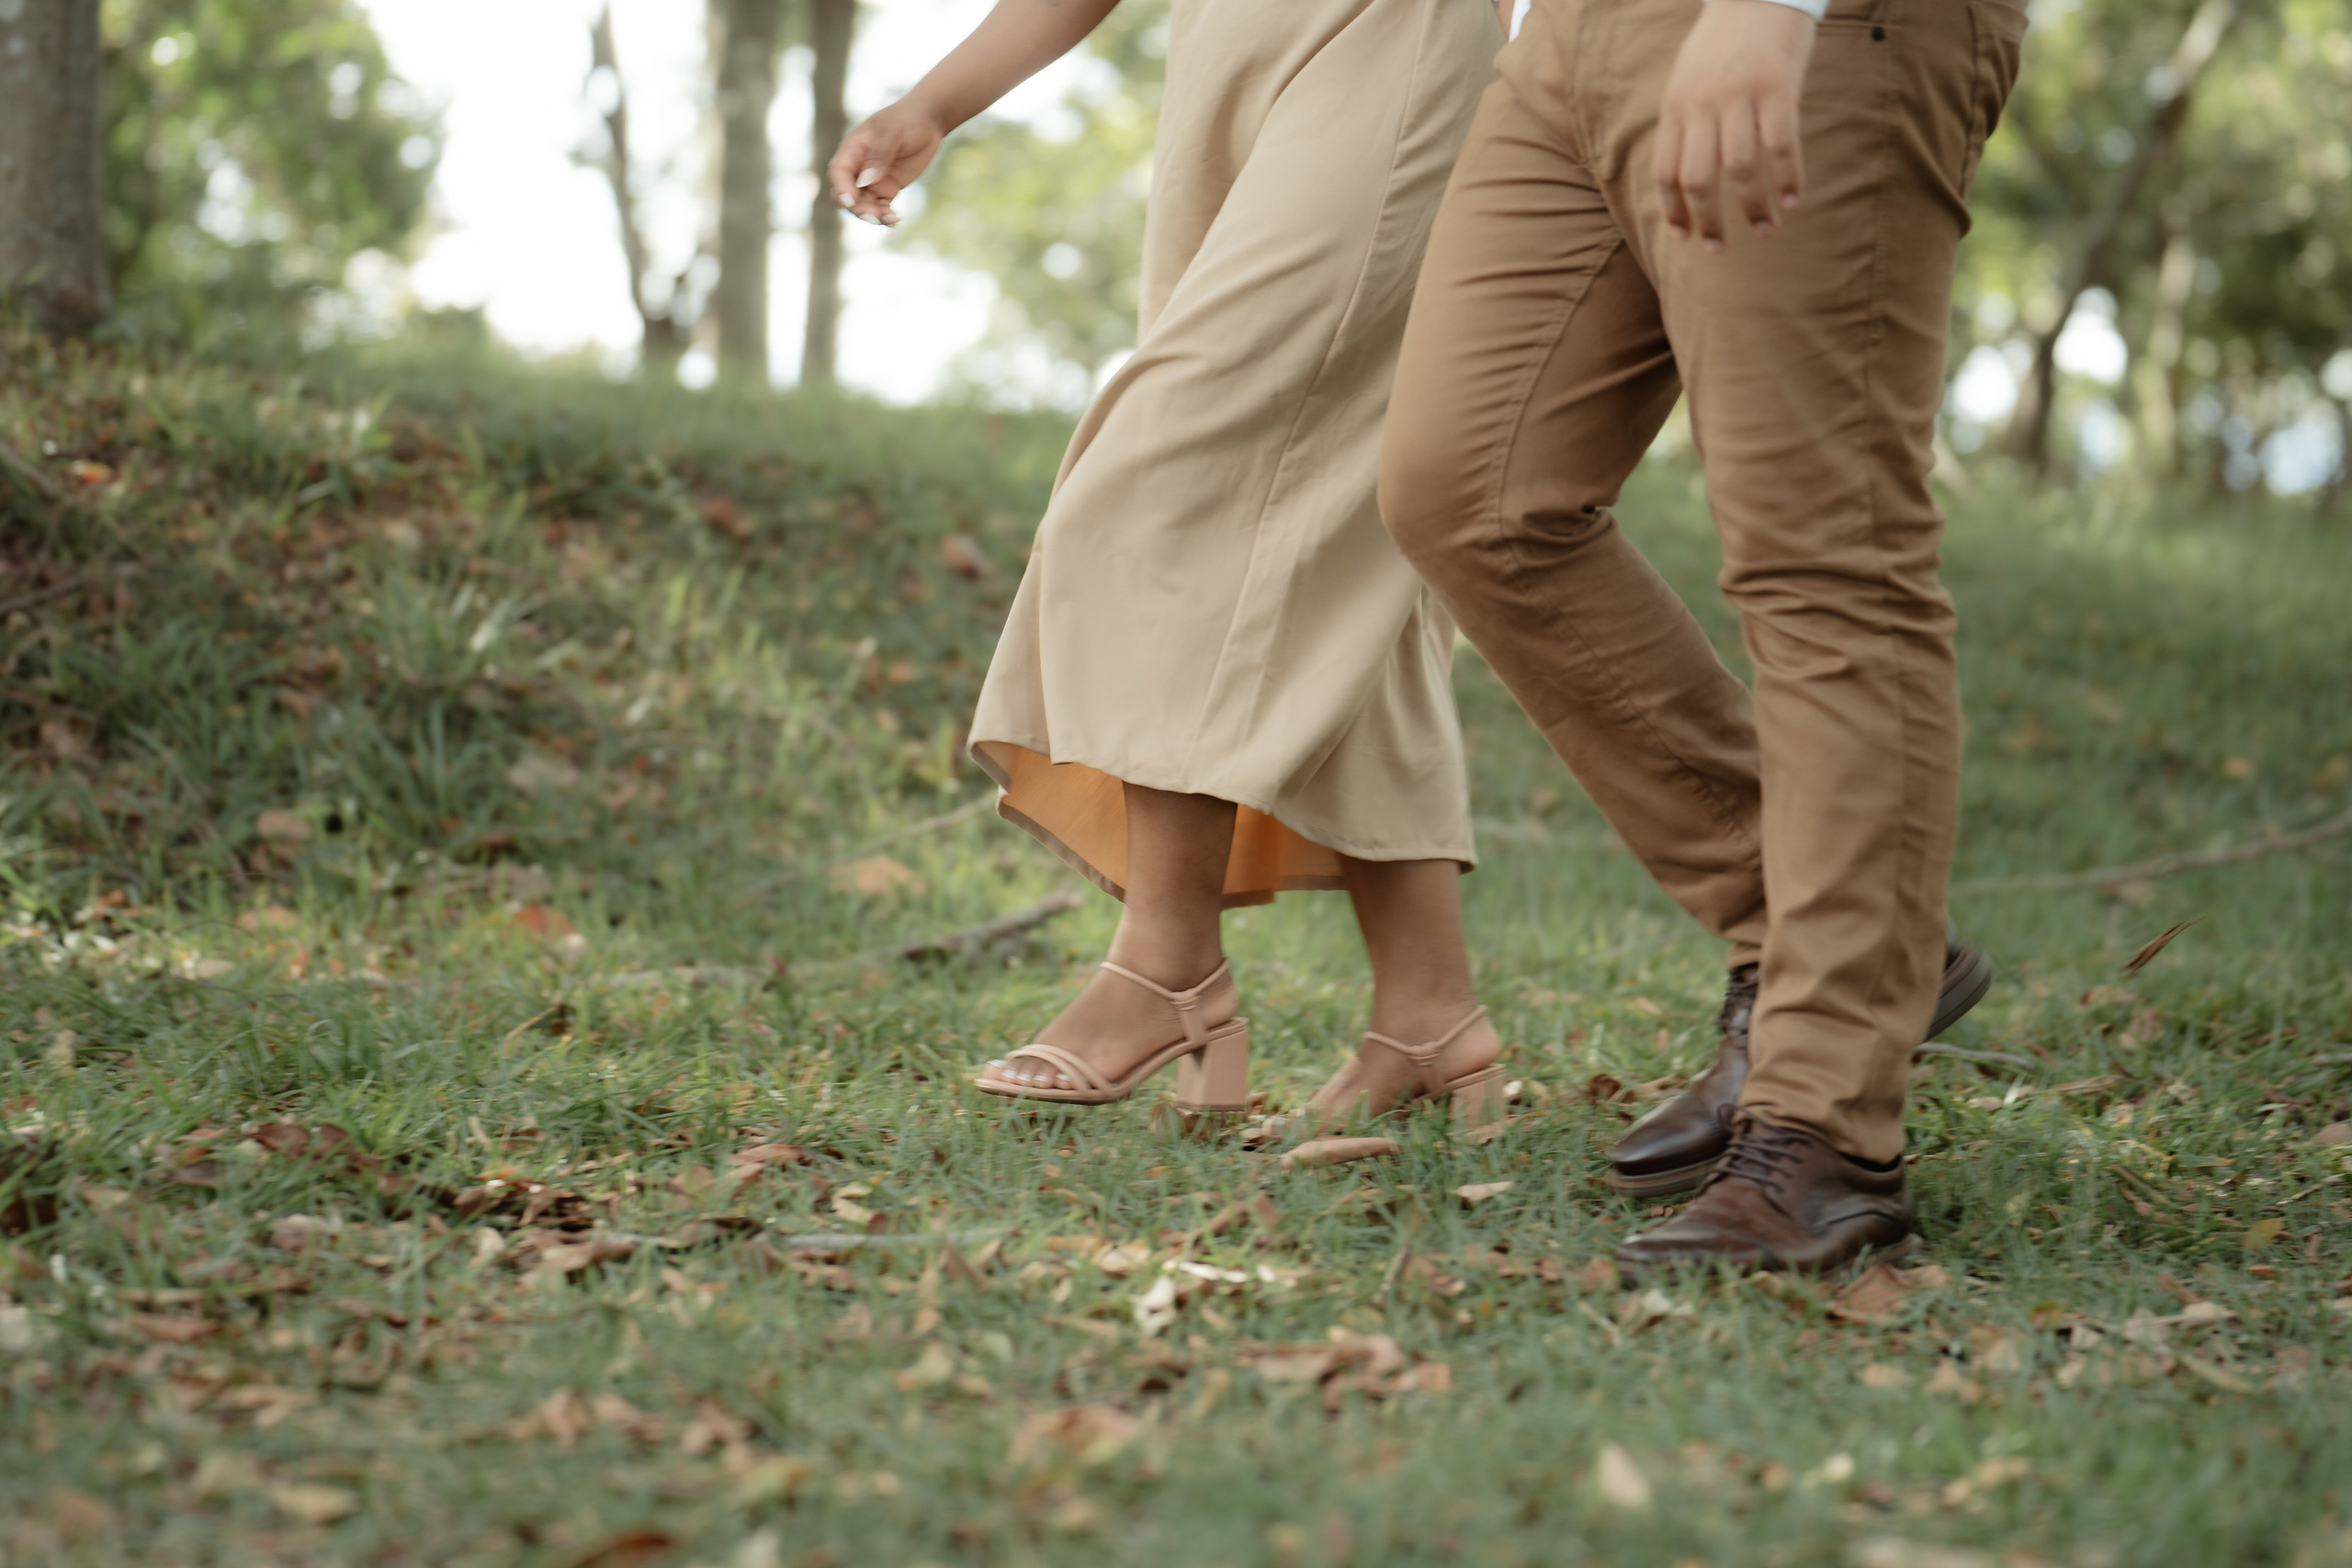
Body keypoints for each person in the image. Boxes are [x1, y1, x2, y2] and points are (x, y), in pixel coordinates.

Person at [1377, 0, 2022, 1271]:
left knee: (1823, 552)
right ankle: (1831, 924)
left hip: (1818, 30)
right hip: (1570, 40)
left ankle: (1828, 1125)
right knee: (1470, 496)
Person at [829, 0, 1511, 1127]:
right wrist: (936, 101)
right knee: (1326, 534)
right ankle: (1432, 1018)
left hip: (1392, 42)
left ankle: (1166, 966)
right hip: (1222, 61)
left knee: (1169, 477)